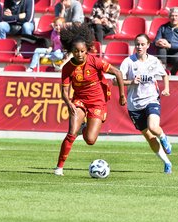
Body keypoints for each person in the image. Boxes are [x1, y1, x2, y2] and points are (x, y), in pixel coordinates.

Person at [54, 23, 126, 176]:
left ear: (87, 49)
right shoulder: (67, 68)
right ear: (70, 51)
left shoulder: (95, 61)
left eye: (82, 51)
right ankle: (59, 167)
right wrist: (68, 104)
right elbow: (64, 92)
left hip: (98, 102)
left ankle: (84, 129)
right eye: (76, 51)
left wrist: (121, 95)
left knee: (90, 140)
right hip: (79, 100)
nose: (79, 54)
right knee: (71, 133)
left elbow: (118, 73)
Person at [119, 33, 172, 174]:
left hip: (151, 99)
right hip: (134, 105)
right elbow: (116, 80)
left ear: (148, 45)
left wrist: (166, 89)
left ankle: (164, 138)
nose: (139, 47)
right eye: (137, 44)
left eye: (143, 44)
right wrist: (131, 82)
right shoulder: (128, 62)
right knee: (149, 137)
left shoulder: (154, 61)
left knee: (153, 127)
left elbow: (164, 74)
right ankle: (167, 162)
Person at [153, 7, 178, 75]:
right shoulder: (163, 27)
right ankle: (163, 69)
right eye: (172, 15)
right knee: (162, 47)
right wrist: (159, 42)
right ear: (169, 17)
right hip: (163, 53)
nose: (174, 18)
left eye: (176, 16)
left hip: (177, 53)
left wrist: (169, 45)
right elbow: (155, 41)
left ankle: (172, 74)